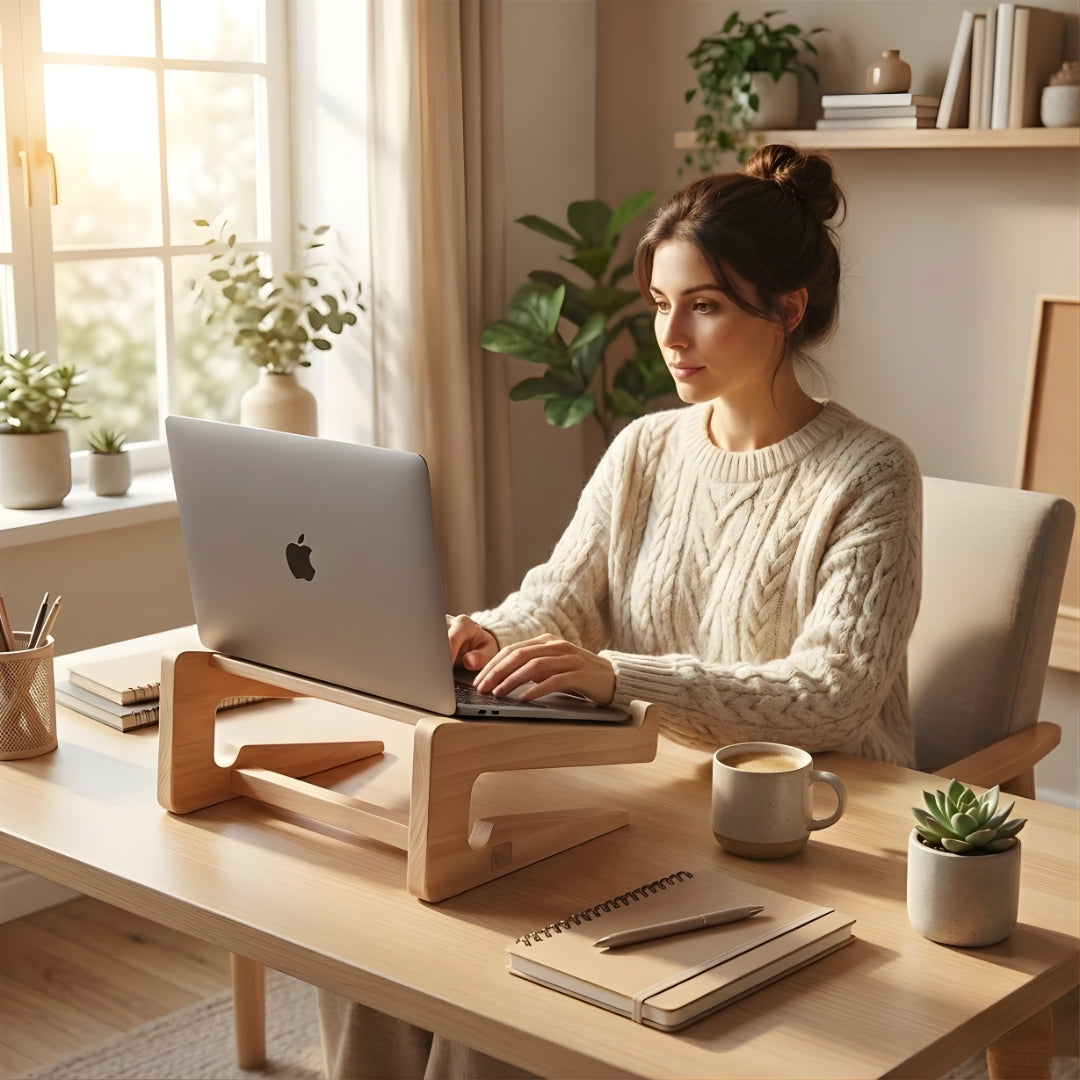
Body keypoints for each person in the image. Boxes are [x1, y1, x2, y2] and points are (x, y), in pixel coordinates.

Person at [318, 142, 922, 1078]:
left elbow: (832, 697)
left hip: (804, 829)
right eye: (659, 305)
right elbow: (562, 596)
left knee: (496, 1008)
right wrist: (485, 634)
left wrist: (618, 676)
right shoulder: (646, 447)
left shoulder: (871, 475)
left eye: (706, 306)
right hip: (639, 797)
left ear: (788, 310)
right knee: (378, 940)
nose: (669, 336)